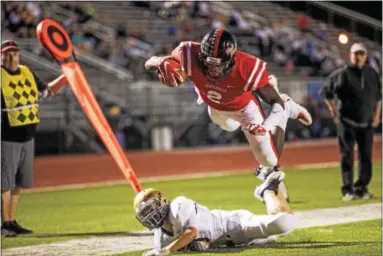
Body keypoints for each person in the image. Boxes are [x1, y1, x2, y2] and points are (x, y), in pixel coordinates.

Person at [145, 29, 312, 201]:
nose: (213, 70)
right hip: (215, 110)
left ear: (231, 59)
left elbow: (277, 105)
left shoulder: (247, 66)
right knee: (228, 127)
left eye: (219, 64)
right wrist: (162, 62)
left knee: (269, 160)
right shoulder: (187, 53)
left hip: (245, 110)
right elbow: (148, 62)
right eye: (209, 63)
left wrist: (264, 127)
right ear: (202, 56)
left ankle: (289, 107)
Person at [134, 170, 298, 256]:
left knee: (284, 223)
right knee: (271, 238)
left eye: (150, 208)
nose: (149, 215)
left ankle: (267, 192)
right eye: (145, 213)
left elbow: (191, 233)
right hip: (234, 244)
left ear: (161, 200)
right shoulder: (160, 238)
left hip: (233, 225)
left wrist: (166, 251)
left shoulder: (178, 205)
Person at [1, 40, 68, 237]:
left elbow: (45, 92)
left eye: (14, 53)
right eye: (6, 54)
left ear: (19, 55)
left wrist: (66, 77)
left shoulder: (26, 72)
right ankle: (4, 224)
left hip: (27, 137)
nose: (11, 57)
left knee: (18, 183)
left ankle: (11, 221)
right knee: (5, 184)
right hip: (6, 137)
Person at [321, 43, 382, 201]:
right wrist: (333, 111)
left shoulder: (372, 74)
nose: (358, 56)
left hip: (366, 122)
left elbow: (378, 97)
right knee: (347, 156)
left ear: (365, 55)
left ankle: (361, 187)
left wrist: (377, 115)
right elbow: (326, 92)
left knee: (366, 157)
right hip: (347, 122)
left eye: (361, 53)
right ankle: (348, 189)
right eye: (355, 54)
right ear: (350, 55)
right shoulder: (341, 74)